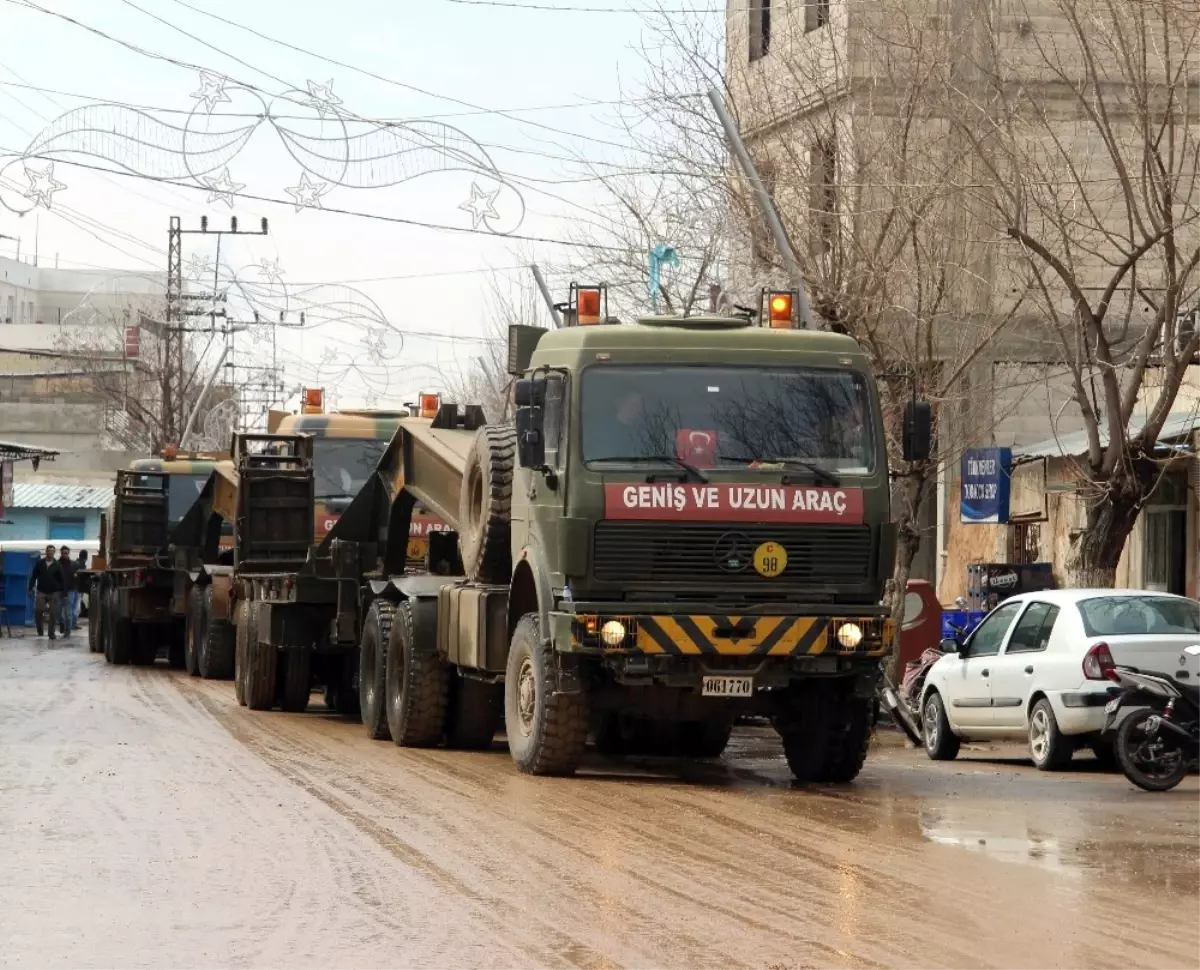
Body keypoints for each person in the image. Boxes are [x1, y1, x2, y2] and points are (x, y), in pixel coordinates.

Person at [27, 544, 66, 641]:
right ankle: (40, 629)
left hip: (54, 592)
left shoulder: (57, 565)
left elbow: (62, 579)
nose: (50, 553)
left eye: (52, 551)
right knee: (38, 610)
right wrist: (30, 587)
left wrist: (63, 592)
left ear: (54, 552)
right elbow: (34, 576)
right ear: (46, 552)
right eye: (49, 551)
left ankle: (51, 633)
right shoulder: (40, 563)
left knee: (53, 613)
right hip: (41, 591)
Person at [57, 546, 77, 636]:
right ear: (60, 553)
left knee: (68, 613)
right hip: (59, 590)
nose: (65, 554)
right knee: (58, 612)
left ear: (68, 553)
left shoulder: (73, 564)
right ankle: (61, 624)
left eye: (66, 553)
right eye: (63, 553)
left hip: (70, 590)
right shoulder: (57, 564)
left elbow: (77, 577)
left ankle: (67, 631)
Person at [72, 550, 89, 629]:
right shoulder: (82, 564)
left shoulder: (75, 562)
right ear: (86, 557)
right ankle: (73, 624)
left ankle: (71, 623)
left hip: (73, 588)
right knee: (77, 607)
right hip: (78, 588)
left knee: (72, 607)